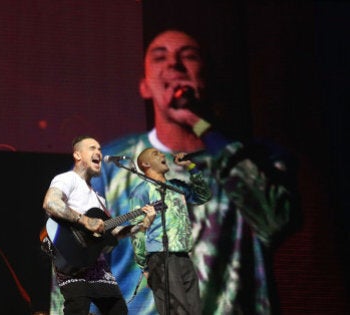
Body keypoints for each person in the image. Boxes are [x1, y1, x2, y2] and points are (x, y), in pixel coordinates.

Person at [50, 29, 296, 314]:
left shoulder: (255, 160)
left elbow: (274, 222)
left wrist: (199, 124)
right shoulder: (106, 168)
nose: (174, 65)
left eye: (188, 56)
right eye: (160, 57)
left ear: (207, 78)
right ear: (144, 86)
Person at [41, 135, 157, 315]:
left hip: (96, 264)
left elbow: (113, 233)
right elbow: (50, 203)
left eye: (100, 149)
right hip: (72, 259)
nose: (99, 153)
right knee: (77, 310)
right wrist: (85, 220)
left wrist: (142, 225)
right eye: (92, 148)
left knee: (118, 311)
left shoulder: (98, 198)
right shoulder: (67, 179)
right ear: (78, 155)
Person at [128, 148, 211, 314]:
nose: (162, 155)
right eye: (155, 154)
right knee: (176, 309)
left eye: (161, 153)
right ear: (145, 164)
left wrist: (191, 167)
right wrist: (144, 266)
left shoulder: (176, 186)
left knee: (194, 309)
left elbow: (203, 196)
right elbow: (137, 230)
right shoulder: (141, 191)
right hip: (160, 256)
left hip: (183, 255)